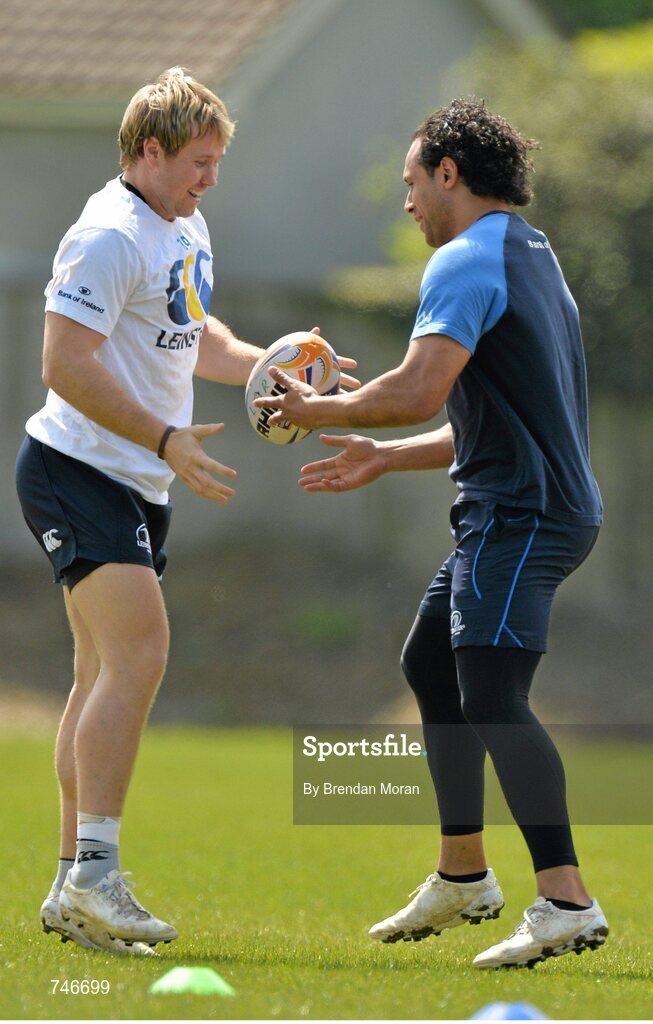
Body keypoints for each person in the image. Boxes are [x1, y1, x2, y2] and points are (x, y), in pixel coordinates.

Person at [253, 99, 609, 970]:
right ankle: (462, 874)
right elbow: (481, 419)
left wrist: (314, 407)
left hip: (521, 515)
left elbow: (416, 388)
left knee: (490, 693)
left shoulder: (462, 259)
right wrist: (379, 456)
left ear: (448, 173)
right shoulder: (530, 253)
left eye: (412, 182)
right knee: (430, 662)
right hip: (520, 506)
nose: (407, 201)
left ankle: (565, 900)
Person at [14, 67, 356, 956]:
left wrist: (263, 366)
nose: (210, 179)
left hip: (130, 479)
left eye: (217, 164)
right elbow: (63, 361)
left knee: (100, 676)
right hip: (75, 467)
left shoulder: (183, 225)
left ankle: (68, 887)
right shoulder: (106, 235)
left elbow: (194, 330)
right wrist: (166, 438)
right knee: (141, 653)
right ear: (150, 152)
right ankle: (95, 874)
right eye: (198, 162)